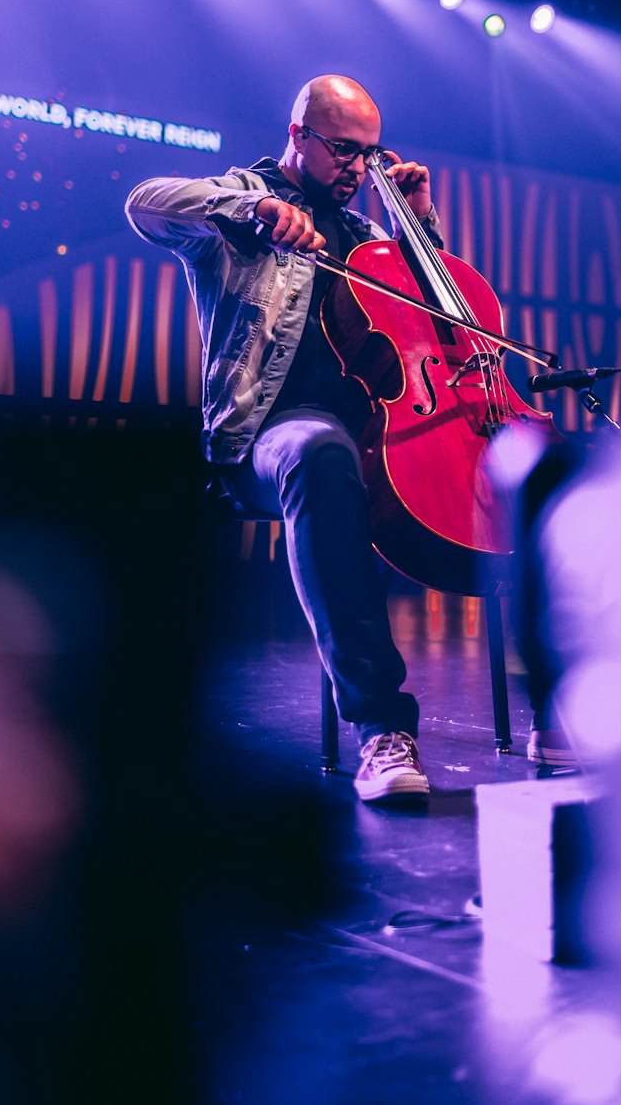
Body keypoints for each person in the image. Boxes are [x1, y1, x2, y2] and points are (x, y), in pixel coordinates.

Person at [125, 74, 442, 802]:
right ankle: (383, 729)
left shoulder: (367, 236)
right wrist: (253, 207)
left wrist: (418, 228)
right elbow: (145, 203)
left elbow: (440, 322)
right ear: (298, 135)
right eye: (341, 150)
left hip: (367, 437)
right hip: (262, 446)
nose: (358, 170)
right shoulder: (242, 206)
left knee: (504, 467)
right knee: (319, 452)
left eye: (369, 154)